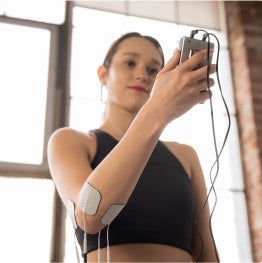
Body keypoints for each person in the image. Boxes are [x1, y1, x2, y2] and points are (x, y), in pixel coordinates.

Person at [48, 32, 219, 262]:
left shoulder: (185, 156)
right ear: (103, 74)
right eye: (129, 63)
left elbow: (207, 254)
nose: (142, 75)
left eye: (152, 70)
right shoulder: (72, 141)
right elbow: (90, 213)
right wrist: (157, 112)